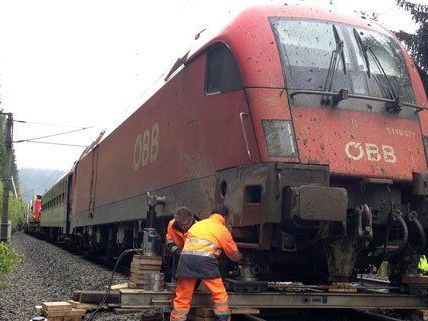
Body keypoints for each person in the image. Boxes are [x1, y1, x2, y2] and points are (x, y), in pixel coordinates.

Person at [170, 204, 243, 321]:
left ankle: (177, 318)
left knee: (183, 295)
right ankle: (222, 318)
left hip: (185, 260)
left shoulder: (198, 224)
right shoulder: (222, 229)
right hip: (205, 262)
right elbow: (233, 254)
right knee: (219, 293)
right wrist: (241, 257)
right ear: (224, 216)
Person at [166, 206, 196, 282]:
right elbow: (169, 239)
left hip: (192, 257)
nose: (182, 227)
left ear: (191, 219)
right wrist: (176, 251)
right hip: (178, 253)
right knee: (175, 271)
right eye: (180, 225)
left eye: (185, 224)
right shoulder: (172, 224)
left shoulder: (197, 228)